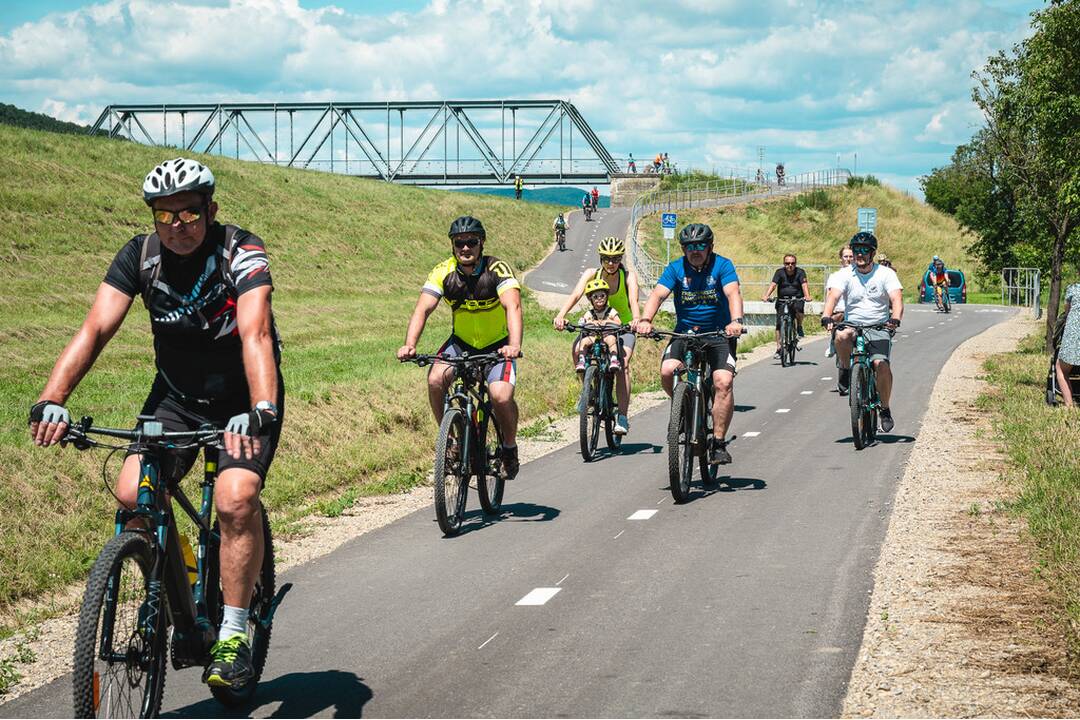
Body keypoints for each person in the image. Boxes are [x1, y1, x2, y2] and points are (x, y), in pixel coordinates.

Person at [28, 157, 283, 688]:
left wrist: (261, 406)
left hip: (241, 398)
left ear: (210, 210)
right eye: (165, 217)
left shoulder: (241, 251)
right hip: (176, 398)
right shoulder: (139, 258)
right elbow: (96, 327)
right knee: (132, 495)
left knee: (236, 499)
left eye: (188, 215)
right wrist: (53, 398)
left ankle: (233, 633)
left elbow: (255, 332)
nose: (178, 228)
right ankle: (183, 580)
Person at [397, 216, 523, 478]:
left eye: (471, 242)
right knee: (435, 379)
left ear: (482, 243)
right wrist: (410, 344)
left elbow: (513, 306)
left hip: (497, 346)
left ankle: (509, 448)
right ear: (453, 246)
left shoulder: (497, 268)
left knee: (500, 396)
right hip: (461, 344)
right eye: (459, 243)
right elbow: (423, 308)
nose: (465, 248)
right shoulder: (444, 271)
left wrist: (514, 345)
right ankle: (452, 440)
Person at [636, 223, 744, 464]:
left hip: (719, 334)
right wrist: (645, 320)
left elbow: (733, 293)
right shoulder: (675, 268)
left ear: (710, 247)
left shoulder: (722, 265)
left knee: (723, 382)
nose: (695, 251)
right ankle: (682, 410)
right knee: (667, 371)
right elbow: (657, 295)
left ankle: (717, 442)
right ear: (683, 249)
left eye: (700, 246)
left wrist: (735, 321)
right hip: (685, 333)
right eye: (689, 247)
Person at [554, 236, 641, 435]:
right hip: (595, 324)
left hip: (622, 326)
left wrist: (636, 319)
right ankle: (589, 392)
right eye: (606, 258)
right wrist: (561, 315)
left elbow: (634, 301)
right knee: (577, 350)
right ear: (601, 258)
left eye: (616, 258)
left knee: (623, 364)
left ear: (621, 259)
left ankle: (622, 417)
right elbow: (576, 294)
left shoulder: (628, 276)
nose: (611, 263)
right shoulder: (592, 274)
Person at [821, 231, 903, 431]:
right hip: (853, 324)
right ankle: (849, 370)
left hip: (878, 326)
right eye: (857, 250)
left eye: (864, 251)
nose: (859, 254)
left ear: (872, 254)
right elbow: (833, 296)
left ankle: (884, 408)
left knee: (880, 364)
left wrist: (895, 319)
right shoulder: (845, 274)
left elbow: (896, 300)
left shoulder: (886, 274)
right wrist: (826, 315)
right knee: (840, 335)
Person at [762, 253, 812, 357]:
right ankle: (779, 348)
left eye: (792, 263)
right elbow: (773, 285)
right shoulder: (779, 272)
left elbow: (804, 285)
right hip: (782, 299)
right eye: (787, 263)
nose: (790, 265)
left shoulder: (800, 272)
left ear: (795, 264)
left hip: (797, 298)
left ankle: (799, 326)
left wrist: (807, 296)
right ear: (784, 264)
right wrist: (766, 295)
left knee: (799, 310)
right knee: (779, 324)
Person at [574, 278, 623, 372]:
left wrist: (608, 321)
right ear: (590, 299)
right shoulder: (590, 313)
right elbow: (583, 322)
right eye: (595, 297)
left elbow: (619, 322)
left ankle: (614, 359)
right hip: (593, 336)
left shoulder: (610, 311)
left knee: (612, 340)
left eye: (602, 295)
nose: (599, 298)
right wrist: (591, 322)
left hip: (606, 335)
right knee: (583, 341)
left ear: (607, 296)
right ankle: (581, 360)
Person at [825, 245, 854, 358]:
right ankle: (833, 341)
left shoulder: (861, 274)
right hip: (840, 309)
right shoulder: (835, 276)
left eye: (851, 256)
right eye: (845, 256)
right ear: (841, 259)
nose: (848, 259)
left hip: (855, 311)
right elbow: (830, 295)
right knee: (836, 319)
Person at [1055, 281, 1080, 407]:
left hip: (1074, 338)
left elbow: (1066, 310)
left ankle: (1069, 406)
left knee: (1060, 367)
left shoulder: (1074, 288)